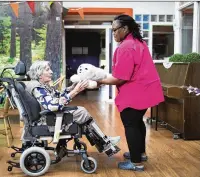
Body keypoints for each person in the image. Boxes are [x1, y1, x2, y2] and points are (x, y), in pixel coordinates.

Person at [97, 15, 164, 171]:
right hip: (145, 90)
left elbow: (120, 78)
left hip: (135, 93)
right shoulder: (138, 43)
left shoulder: (126, 46)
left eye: (115, 30)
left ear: (125, 29)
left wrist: (99, 80)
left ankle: (135, 163)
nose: (113, 33)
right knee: (138, 122)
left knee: (131, 125)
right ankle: (140, 154)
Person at [26, 60, 121, 155]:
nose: (51, 71)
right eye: (47, 70)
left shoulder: (41, 85)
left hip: (50, 117)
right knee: (81, 112)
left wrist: (73, 88)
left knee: (81, 112)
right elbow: (52, 105)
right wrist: (75, 91)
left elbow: (58, 95)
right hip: (47, 119)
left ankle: (104, 141)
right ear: (39, 74)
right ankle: (104, 142)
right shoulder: (38, 88)